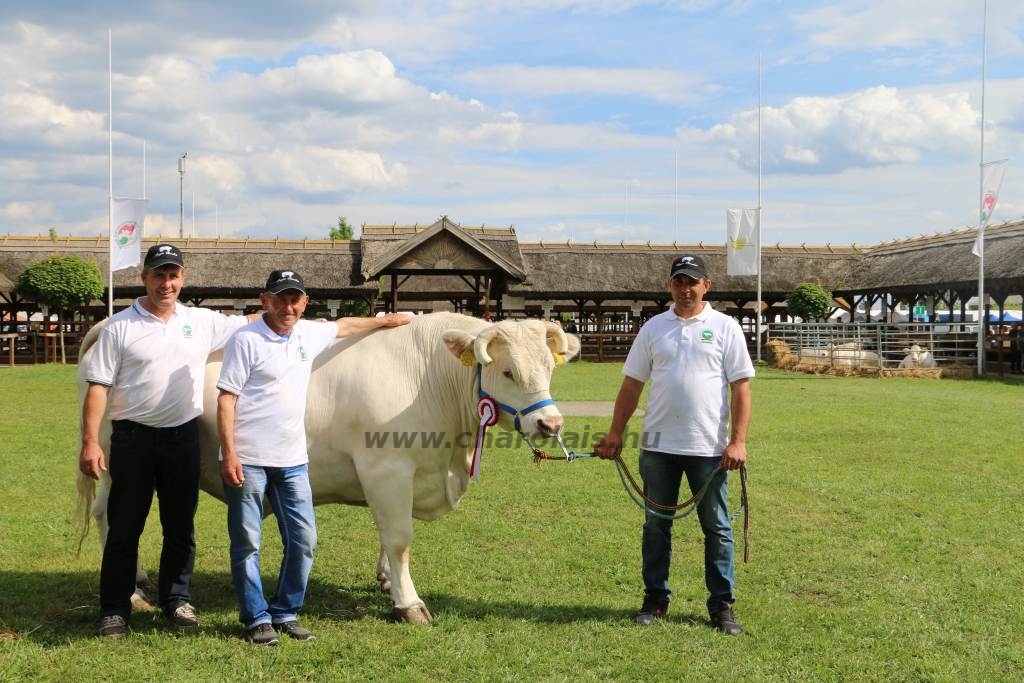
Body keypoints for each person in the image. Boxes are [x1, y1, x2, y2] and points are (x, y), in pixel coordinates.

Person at [216, 270, 409, 645]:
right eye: (280, 298)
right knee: (247, 542)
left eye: (295, 299)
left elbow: (346, 325)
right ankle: (256, 618)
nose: (288, 306)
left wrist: (387, 321)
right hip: (250, 458)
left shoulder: (308, 333)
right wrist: (229, 452)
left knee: (304, 539)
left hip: (292, 459)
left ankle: (286, 611)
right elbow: (227, 398)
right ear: (264, 300)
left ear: (305, 303)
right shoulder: (246, 340)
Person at [80, 243, 254, 639]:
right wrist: (91, 441)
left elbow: (255, 322)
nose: (166, 283)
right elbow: (98, 388)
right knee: (125, 527)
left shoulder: (202, 321)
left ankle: (177, 601)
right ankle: (114, 608)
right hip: (132, 439)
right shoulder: (120, 326)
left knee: (180, 526)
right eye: (159, 274)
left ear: (182, 279)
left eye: (173, 275)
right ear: (144, 278)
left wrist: (292, 314)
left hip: (181, 439)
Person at [595, 254, 754, 635]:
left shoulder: (725, 327)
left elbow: (741, 388)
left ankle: (722, 606)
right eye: (679, 282)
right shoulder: (654, 329)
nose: (686, 289)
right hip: (658, 447)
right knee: (656, 526)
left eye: (693, 282)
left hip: (710, 450)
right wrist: (615, 433)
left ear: (706, 285)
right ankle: (655, 599)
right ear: (670, 286)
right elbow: (632, 384)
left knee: (716, 528)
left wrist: (738, 441)